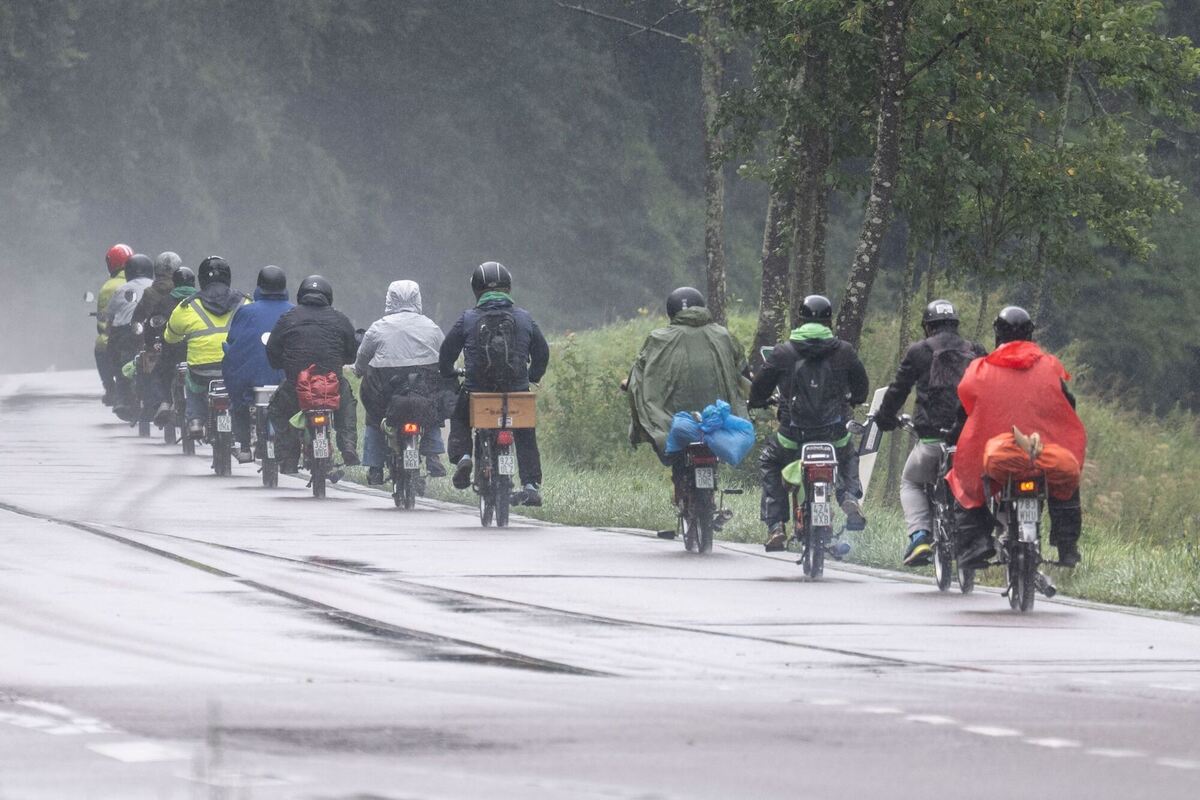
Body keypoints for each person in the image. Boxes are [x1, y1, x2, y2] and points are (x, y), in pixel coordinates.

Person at [947, 306, 1087, 567]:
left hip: (998, 458)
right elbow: (1068, 406)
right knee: (1067, 479)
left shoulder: (980, 369)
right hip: (1042, 456)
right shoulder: (1050, 366)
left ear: (997, 334)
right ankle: (1067, 547)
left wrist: (955, 436)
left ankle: (977, 543)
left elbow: (965, 409)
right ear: (1030, 334)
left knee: (964, 481)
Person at [749, 295, 870, 551]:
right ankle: (848, 496)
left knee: (770, 460)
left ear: (800, 319)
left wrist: (758, 401)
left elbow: (759, 387)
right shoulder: (844, 351)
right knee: (848, 455)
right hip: (834, 435)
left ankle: (776, 525)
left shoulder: (783, 352)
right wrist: (854, 399)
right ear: (829, 321)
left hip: (792, 437)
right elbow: (861, 387)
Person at [875, 300, 988, 566]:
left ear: (927, 327)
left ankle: (920, 537)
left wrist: (884, 418)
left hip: (931, 440)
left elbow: (898, 390)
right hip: (969, 443)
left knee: (911, 482)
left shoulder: (919, 351)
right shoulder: (976, 351)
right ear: (955, 325)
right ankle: (979, 540)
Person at [439, 262, 549, 506]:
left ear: (476, 289)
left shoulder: (468, 319)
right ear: (508, 287)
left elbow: (446, 353)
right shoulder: (524, 318)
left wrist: (447, 372)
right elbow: (542, 352)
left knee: (460, 417)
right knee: (525, 433)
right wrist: (532, 376)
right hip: (516, 392)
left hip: (477, 392)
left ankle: (464, 457)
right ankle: (530, 485)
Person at [625, 287, 749, 495]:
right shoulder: (723, 335)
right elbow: (743, 371)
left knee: (673, 444)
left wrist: (628, 384)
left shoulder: (658, 338)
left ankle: (682, 488)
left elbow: (640, 373)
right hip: (716, 418)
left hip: (673, 418)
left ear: (671, 312)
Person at [355, 279, 449, 485]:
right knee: (432, 411)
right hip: (423, 389)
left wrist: (359, 370)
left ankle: (375, 466)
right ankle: (433, 455)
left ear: (389, 299)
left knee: (374, 418)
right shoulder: (431, 327)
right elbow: (446, 355)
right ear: (418, 299)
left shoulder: (378, 327)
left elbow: (362, 357)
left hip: (388, 392)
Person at [265, 274, 360, 472]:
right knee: (347, 406)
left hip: (297, 385)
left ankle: (288, 455)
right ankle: (348, 445)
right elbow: (351, 354)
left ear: (301, 295)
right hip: (331, 386)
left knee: (276, 409)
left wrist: (283, 365)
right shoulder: (340, 319)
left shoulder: (288, 318)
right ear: (328, 296)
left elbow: (272, 349)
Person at [163, 256, 249, 438]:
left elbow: (169, 337)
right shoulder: (245, 302)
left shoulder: (187, 306)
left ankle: (195, 419)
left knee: (190, 380)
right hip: (235, 369)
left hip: (201, 372)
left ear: (201, 279)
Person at [222, 266, 293, 463]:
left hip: (250, 379)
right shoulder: (293, 311)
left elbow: (232, 341)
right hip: (285, 378)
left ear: (259, 286)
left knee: (237, 399)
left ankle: (244, 445)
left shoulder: (246, 312)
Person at [132, 252, 184, 425]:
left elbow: (138, 317)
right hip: (179, 340)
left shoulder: (149, 293)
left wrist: (145, 341)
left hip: (155, 340)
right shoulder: (183, 292)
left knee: (149, 371)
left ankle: (155, 404)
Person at [105, 253, 155, 421]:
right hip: (151, 330)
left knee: (116, 359)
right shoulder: (155, 286)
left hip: (127, 332)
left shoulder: (122, 289)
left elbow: (110, 316)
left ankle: (121, 397)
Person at [94, 243, 133, 405]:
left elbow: (103, 322)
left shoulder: (108, 287)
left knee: (101, 345)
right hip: (141, 332)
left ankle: (110, 388)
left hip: (119, 335)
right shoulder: (142, 281)